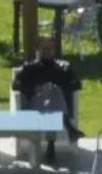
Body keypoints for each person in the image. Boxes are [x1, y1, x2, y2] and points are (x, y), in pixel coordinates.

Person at [13, 35, 81, 163]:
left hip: (55, 106)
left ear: (54, 50)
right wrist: (37, 88)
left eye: (49, 48)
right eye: (43, 48)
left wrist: (60, 86)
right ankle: (68, 129)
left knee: (54, 93)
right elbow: (15, 85)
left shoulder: (63, 67)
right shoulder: (30, 67)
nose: (46, 51)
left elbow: (77, 84)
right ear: (37, 49)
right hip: (36, 105)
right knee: (52, 97)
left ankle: (51, 147)